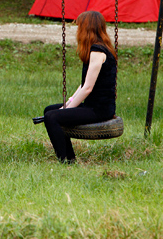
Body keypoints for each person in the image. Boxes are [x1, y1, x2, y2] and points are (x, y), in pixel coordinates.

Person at [43, 10, 117, 163]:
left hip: (99, 110)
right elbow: (84, 84)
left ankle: (65, 160)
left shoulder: (97, 51)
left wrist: (66, 109)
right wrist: (70, 102)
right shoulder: (99, 48)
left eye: (79, 27)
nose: (77, 31)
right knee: (49, 110)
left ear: (86, 29)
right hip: (93, 106)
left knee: (52, 117)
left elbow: (88, 88)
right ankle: (69, 157)